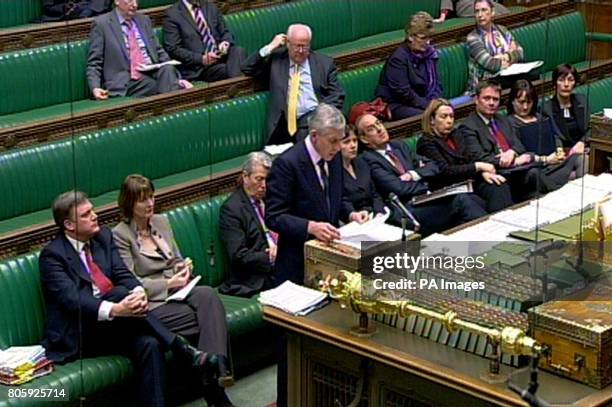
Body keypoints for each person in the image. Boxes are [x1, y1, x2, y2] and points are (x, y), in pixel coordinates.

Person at [39, 190, 216, 407]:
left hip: (116, 324)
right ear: (69, 225)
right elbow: (72, 299)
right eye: (86, 214)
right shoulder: (52, 255)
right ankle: (179, 347)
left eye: (93, 210)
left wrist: (138, 291)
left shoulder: (102, 237)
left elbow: (122, 273)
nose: (94, 216)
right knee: (120, 293)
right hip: (81, 332)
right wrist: (116, 309)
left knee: (150, 344)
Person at [111, 175, 234, 406]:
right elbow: (130, 282)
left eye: (151, 197)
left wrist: (183, 269)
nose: (149, 204)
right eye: (142, 200)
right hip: (152, 305)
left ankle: (214, 369)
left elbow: (175, 260)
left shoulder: (161, 222)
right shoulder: (120, 235)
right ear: (128, 204)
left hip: (179, 294)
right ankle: (216, 382)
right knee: (209, 318)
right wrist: (169, 284)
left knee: (208, 294)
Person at [265, 103, 367, 285]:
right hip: (298, 262)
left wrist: (351, 213)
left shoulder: (333, 157)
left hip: (331, 256)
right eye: (333, 141)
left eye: (341, 140)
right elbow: (274, 216)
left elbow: (337, 196)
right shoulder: (287, 164)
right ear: (314, 136)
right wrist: (310, 226)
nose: (338, 147)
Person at [352, 107, 487, 237]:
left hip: (427, 198)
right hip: (407, 210)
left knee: (475, 199)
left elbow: (433, 166)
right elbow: (398, 188)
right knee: (460, 201)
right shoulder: (367, 159)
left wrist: (413, 174)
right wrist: (424, 184)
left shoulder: (399, 146)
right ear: (364, 139)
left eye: (379, 123)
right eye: (371, 129)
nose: (379, 129)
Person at [241, 24, 345, 145]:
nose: (301, 51)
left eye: (305, 47)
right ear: (288, 44)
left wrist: (318, 115)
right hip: (283, 126)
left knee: (306, 134)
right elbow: (247, 68)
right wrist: (270, 47)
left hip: (315, 121)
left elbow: (337, 94)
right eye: (297, 46)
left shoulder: (324, 64)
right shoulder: (276, 61)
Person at [459, 80, 554, 201]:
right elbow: (477, 157)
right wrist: (509, 161)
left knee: (535, 174)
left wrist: (512, 152)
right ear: (476, 100)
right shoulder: (468, 127)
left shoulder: (502, 119)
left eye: (495, 99)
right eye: (487, 98)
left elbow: (519, 146)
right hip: (496, 173)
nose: (491, 103)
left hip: (516, 172)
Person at [417, 98, 514, 213]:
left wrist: (483, 173)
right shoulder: (426, 143)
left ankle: (507, 224)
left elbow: (469, 158)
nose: (449, 121)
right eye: (444, 117)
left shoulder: (456, 134)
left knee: (498, 185)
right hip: (448, 189)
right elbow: (445, 172)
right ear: (432, 120)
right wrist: (478, 166)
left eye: (451, 116)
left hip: (469, 182)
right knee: (473, 201)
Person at [87, 0, 191, 100]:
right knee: (158, 85)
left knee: (167, 69)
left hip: (151, 71)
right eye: (130, 0)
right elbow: (94, 62)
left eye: (137, 0)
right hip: (126, 80)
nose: (135, 4)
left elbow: (159, 51)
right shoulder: (102, 24)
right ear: (117, 1)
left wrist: (178, 78)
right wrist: (95, 88)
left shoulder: (144, 20)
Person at [219, 153, 276, 297]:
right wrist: (269, 257)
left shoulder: (271, 198)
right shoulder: (232, 209)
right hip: (257, 276)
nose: (264, 186)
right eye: (259, 179)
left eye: (267, 180)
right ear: (245, 177)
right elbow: (238, 256)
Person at [507, 79, 582, 187]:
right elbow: (519, 151)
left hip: (554, 164)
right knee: (534, 174)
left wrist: (559, 151)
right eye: (521, 102)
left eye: (529, 102)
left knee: (581, 158)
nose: (525, 107)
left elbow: (555, 136)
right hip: (534, 168)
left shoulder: (540, 117)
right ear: (512, 101)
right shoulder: (509, 123)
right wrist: (546, 160)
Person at [375, 12, 443, 120]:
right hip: (398, 104)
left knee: (445, 112)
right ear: (411, 36)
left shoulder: (430, 55)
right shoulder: (398, 59)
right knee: (430, 118)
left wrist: (438, 103)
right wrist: (430, 106)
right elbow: (404, 93)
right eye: (423, 38)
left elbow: (437, 84)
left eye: (429, 37)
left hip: (421, 101)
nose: (428, 42)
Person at [163, 0, 246, 82]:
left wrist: (225, 42)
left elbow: (225, 32)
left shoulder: (210, 6)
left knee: (238, 51)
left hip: (221, 55)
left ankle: (237, 85)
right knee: (236, 69)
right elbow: (173, 48)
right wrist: (201, 59)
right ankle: (241, 87)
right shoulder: (173, 14)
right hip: (201, 66)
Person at [466, 0, 524, 94]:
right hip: (484, 83)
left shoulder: (502, 30)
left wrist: (505, 56)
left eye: (484, 10)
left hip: (507, 75)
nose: (480, 15)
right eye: (477, 11)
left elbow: (521, 52)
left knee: (531, 78)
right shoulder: (473, 38)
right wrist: (511, 55)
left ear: (492, 12)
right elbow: (490, 63)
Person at [542, 63, 589, 174]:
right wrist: (560, 151)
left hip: (585, 148)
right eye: (561, 80)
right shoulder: (546, 108)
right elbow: (552, 135)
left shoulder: (581, 100)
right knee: (584, 161)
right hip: (563, 154)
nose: (566, 84)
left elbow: (591, 128)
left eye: (570, 80)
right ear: (554, 83)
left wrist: (582, 143)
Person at [340, 125, 387, 216]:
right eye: (346, 142)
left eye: (355, 140)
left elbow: (375, 193)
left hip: (375, 215)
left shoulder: (361, 162)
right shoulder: (332, 171)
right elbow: (341, 201)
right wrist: (352, 214)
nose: (353, 145)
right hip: (354, 219)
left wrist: (379, 211)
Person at [434, 0, 508, 23]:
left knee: (503, 10)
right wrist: (442, 17)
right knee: (490, 11)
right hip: (465, 5)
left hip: (480, 2)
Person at [42, 0, 112, 21]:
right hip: (64, 17)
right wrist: (64, 8)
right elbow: (48, 7)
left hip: (93, 12)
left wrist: (90, 9)